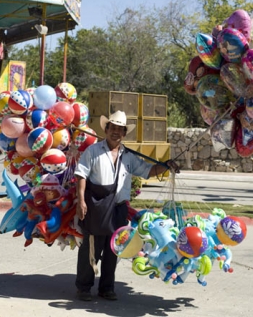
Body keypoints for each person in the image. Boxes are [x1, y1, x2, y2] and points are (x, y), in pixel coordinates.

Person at [74, 110, 179, 301]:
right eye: (112, 127)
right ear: (106, 129)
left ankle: (106, 288)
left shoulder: (129, 156)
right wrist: (81, 201)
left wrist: (165, 165)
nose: (115, 132)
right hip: (96, 207)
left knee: (114, 249)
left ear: (124, 133)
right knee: (92, 249)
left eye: (119, 129)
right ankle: (84, 288)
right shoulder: (93, 151)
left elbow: (148, 170)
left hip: (118, 209)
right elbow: (81, 175)